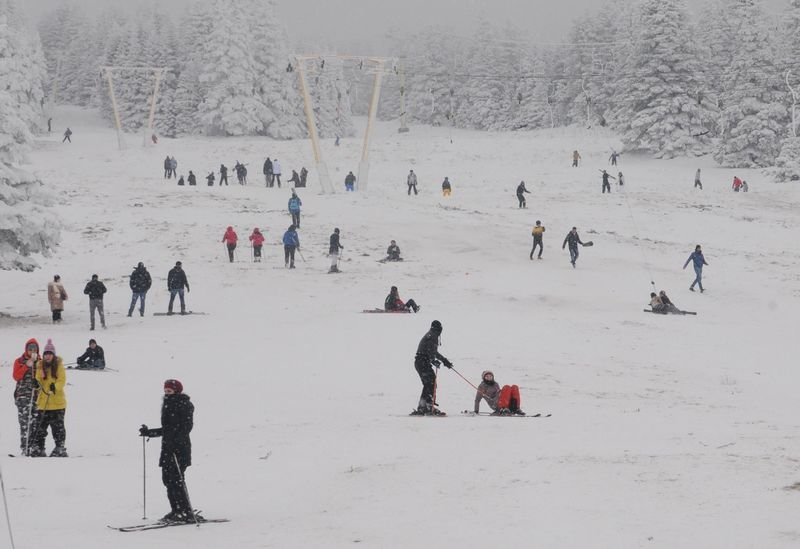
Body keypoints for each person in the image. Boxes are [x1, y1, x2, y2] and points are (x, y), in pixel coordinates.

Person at [139, 379, 195, 523]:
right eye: (165, 391)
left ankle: (185, 511)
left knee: (177, 480)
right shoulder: (168, 404)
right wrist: (149, 432)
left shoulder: (184, 404)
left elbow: (186, 428)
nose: (167, 394)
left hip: (179, 449)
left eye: (169, 391)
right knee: (168, 480)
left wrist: (175, 442)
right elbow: (168, 429)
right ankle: (176, 509)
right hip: (168, 449)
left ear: (177, 391)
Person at [31, 339, 67, 457]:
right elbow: (38, 379)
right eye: (46, 354)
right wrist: (36, 383)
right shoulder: (40, 366)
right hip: (43, 403)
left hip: (57, 404)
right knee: (40, 428)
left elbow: (62, 380)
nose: (47, 356)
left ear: (53, 355)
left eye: (49, 354)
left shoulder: (59, 366)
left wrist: (55, 387)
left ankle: (60, 447)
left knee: (58, 428)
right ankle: (39, 447)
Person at [412, 320, 452, 415]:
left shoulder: (431, 334)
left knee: (429, 383)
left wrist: (444, 360)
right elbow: (430, 351)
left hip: (420, 362)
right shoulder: (433, 335)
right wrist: (433, 361)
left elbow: (433, 352)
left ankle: (423, 406)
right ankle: (428, 406)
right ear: (440, 329)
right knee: (431, 382)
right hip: (423, 362)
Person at [13, 338, 40, 456]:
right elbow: (16, 376)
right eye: (30, 348)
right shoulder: (19, 361)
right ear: (26, 349)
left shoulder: (40, 361)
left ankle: (35, 448)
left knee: (36, 423)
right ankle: (25, 448)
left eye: (34, 349)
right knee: (25, 423)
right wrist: (26, 365)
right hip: (23, 396)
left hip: (37, 397)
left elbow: (44, 377)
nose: (32, 351)